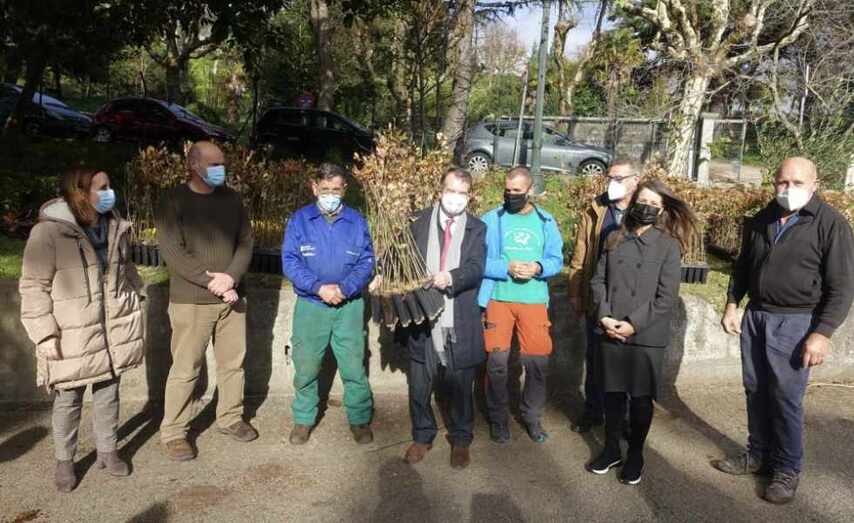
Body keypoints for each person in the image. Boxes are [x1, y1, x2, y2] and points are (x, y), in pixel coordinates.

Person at [714, 157, 854, 504]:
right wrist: (732, 303)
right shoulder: (763, 218)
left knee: (785, 398)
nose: (788, 189)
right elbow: (743, 266)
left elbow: (842, 287)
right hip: (757, 317)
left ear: (815, 184)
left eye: (797, 183)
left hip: (796, 322)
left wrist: (822, 333)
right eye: (782, 182)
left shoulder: (831, 224)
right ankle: (758, 455)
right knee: (755, 390)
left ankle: (787, 469)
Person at [20, 168, 145, 492]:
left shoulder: (114, 224)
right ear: (80, 192)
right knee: (68, 399)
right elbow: (33, 285)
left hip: (111, 327)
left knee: (108, 392)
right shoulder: (48, 232)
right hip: (70, 331)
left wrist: (136, 292)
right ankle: (65, 460)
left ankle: (108, 450)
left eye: (110, 186)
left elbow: (125, 266)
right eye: (102, 187)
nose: (109, 192)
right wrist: (44, 333)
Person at [587, 178, 696, 485]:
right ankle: (611, 449)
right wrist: (604, 316)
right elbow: (597, 281)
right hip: (610, 328)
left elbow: (666, 297)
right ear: (633, 202)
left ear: (662, 210)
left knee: (640, 399)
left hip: (646, 335)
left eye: (653, 204)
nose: (646, 207)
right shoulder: (614, 237)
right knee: (612, 395)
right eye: (642, 201)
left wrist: (633, 323)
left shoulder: (668, 245)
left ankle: (635, 454)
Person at [156, 141, 257, 461]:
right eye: (214, 164)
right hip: (192, 302)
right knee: (186, 368)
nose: (220, 169)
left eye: (222, 163)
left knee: (233, 364)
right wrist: (214, 282)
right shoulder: (172, 200)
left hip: (232, 298)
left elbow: (246, 242)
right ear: (193, 165)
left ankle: (230, 417)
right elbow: (172, 251)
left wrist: (232, 277)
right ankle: (174, 433)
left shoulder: (232, 199)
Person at [282, 163, 375, 445]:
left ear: (344, 189)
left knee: (353, 366)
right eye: (325, 190)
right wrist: (318, 287)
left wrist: (345, 288)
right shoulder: (300, 221)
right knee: (306, 365)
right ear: (314, 188)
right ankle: (303, 419)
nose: (331, 195)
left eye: (336, 190)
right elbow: (290, 261)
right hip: (312, 306)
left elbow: (366, 261)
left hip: (349, 306)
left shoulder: (356, 221)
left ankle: (359, 419)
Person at [400, 167, 486, 469]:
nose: (456, 198)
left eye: (462, 193)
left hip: (457, 315)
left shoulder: (477, 228)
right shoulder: (418, 221)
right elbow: (398, 255)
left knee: (461, 384)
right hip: (422, 316)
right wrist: (384, 274)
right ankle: (422, 436)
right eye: (451, 191)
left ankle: (461, 439)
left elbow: (476, 267)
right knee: (419, 384)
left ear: (469, 196)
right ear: (440, 191)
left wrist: (450, 277)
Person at [478, 166, 564, 444]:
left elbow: (556, 260)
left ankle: (532, 417)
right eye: (507, 190)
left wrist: (538, 267)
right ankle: (498, 419)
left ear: (530, 191)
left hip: (533, 300)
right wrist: (505, 267)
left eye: (517, 190)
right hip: (498, 298)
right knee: (496, 364)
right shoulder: (491, 219)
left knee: (537, 364)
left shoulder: (546, 221)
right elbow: (476, 261)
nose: (511, 195)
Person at [568, 159, 641, 433]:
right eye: (609, 177)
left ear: (635, 180)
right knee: (596, 359)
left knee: (628, 362)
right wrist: (576, 292)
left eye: (619, 178)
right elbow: (581, 251)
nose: (612, 183)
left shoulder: (645, 210)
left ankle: (624, 417)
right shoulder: (596, 208)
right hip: (599, 295)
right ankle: (593, 411)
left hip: (631, 299)